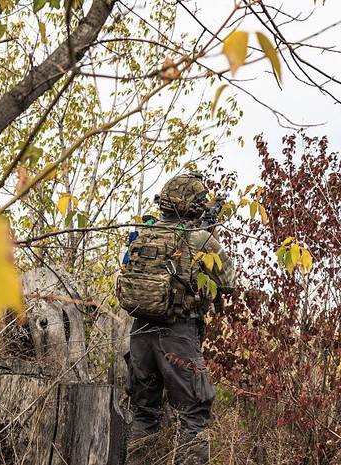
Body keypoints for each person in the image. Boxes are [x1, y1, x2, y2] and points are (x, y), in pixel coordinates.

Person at [121, 173, 235, 465]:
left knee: (144, 414)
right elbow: (227, 284)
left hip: (140, 334)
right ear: (195, 207)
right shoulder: (201, 238)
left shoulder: (143, 232)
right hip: (178, 334)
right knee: (194, 414)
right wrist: (209, 236)